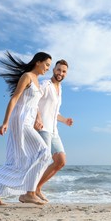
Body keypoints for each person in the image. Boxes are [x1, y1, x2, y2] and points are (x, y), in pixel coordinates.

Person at [0, 51, 52, 205]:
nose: (48, 68)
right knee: (44, 152)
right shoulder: (27, 76)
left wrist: (38, 119)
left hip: (28, 121)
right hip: (20, 120)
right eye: (47, 64)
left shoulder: (38, 82)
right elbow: (14, 98)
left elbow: (35, 105)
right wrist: (5, 122)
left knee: (20, 161)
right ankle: (29, 193)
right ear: (38, 62)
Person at [33, 59, 73, 202]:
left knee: (61, 161)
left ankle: (37, 188)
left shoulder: (60, 89)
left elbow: (55, 113)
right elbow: (34, 102)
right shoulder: (45, 84)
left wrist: (65, 120)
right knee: (42, 160)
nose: (60, 73)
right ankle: (29, 191)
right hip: (43, 129)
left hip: (54, 131)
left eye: (63, 71)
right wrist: (38, 118)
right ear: (53, 70)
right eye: (58, 70)